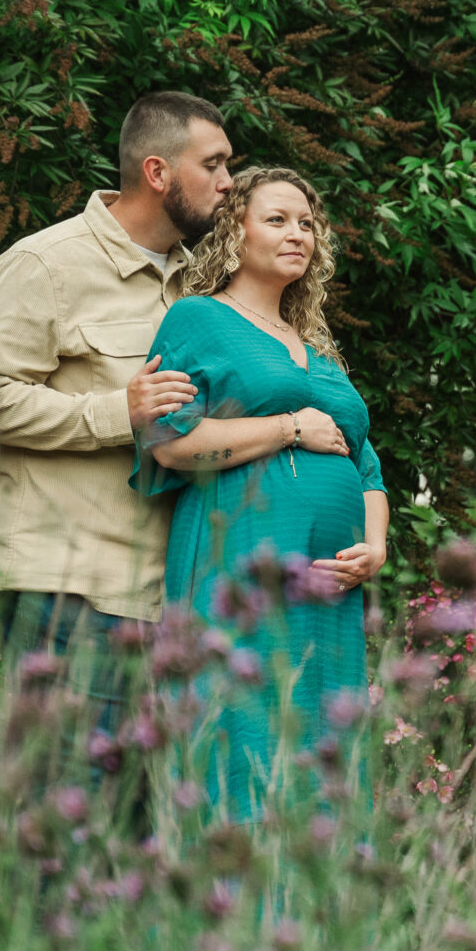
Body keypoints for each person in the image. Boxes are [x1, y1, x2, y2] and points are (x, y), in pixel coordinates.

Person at [0, 92, 234, 688]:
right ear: (157, 172)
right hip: (64, 585)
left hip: (161, 590)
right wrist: (116, 412)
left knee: (138, 784)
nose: (228, 182)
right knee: (71, 781)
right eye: (213, 164)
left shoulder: (200, 285)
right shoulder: (45, 265)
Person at [134, 166, 388, 816]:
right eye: (276, 219)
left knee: (321, 755)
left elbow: (367, 468)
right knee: (245, 738)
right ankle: (234, 909)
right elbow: (167, 440)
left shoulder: (318, 351)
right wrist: (286, 427)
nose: (297, 233)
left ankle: (310, 917)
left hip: (328, 592)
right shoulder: (198, 320)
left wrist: (377, 546)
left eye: (307, 223)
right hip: (240, 564)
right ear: (233, 232)